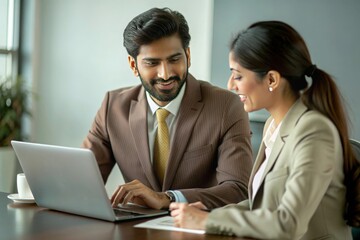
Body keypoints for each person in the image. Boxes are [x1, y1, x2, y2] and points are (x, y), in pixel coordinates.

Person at [170, 21, 360, 239]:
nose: (231, 84)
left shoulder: (314, 131)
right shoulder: (273, 125)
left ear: (271, 79)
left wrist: (208, 220)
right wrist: (206, 213)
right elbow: (260, 204)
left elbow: (288, 224)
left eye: (238, 75)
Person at [82, 7, 253, 210]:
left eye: (174, 59)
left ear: (187, 55)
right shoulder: (113, 106)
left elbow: (238, 189)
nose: (165, 74)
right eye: (152, 63)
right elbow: (83, 181)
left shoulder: (226, 106)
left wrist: (168, 198)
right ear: (133, 65)